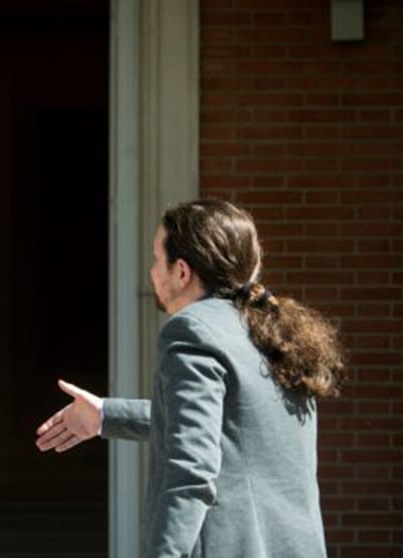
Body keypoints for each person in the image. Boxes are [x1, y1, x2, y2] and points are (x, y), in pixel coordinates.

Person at [35, 198, 345, 557]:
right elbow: (227, 427)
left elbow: (192, 468)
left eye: (155, 259)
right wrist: (105, 415)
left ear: (181, 272)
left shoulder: (192, 329)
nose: (151, 271)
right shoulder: (271, 330)